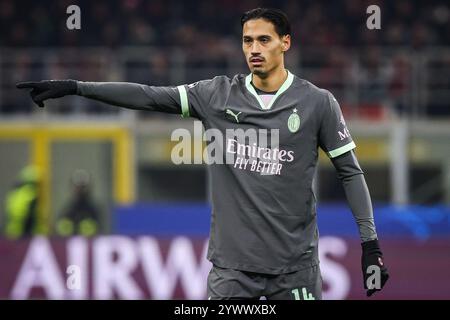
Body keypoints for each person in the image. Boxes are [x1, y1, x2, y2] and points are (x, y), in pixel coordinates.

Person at [16, 8, 388, 299]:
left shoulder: (318, 103)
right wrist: (76, 86)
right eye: (247, 41)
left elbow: (351, 173)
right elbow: (148, 95)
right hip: (232, 271)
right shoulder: (215, 96)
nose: (254, 50)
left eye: (263, 40)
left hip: (296, 270)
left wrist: (370, 245)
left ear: (285, 43)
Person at [56, 169, 101, 237]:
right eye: (77, 187)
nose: (80, 190)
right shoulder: (68, 210)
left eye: (82, 187)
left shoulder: (94, 211)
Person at [4, 165, 41, 239]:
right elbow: (31, 215)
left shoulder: (15, 192)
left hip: (11, 229)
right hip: (24, 231)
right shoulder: (30, 192)